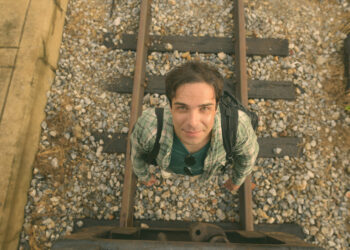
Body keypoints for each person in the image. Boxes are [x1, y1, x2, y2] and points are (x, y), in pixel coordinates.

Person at [130, 61, 259, 192]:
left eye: (204, 108)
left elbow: (247, 158)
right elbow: (136, 154)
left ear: (216, 107)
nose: (193, 122)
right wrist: (143, 175)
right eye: (182, 107)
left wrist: (237, 180)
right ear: (170, 106)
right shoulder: (148, 127)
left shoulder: (239, 127)